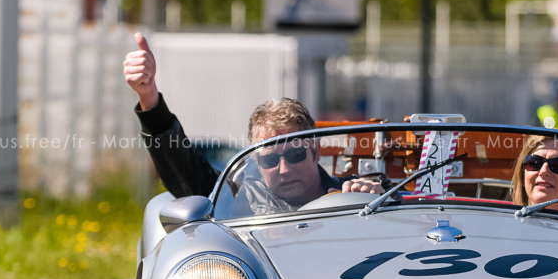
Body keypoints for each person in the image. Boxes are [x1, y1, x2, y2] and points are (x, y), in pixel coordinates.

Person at [123, 32, 380, 209]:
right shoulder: (239, 201)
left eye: (294, 155)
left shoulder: (351, 194)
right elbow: (185, 172)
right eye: (269, 159)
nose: (284, 169)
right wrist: (148, 95)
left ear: (315, 152)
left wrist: (378, 200)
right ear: (256, 161)